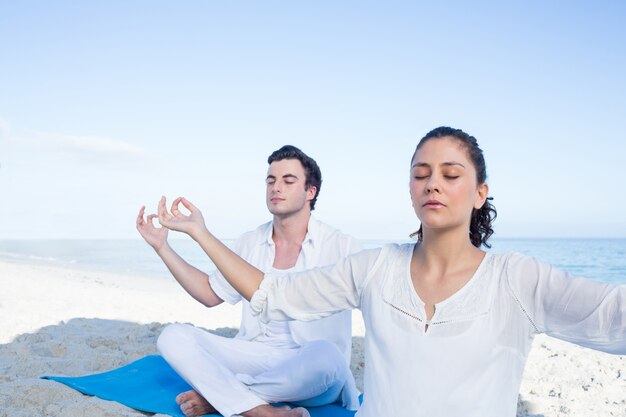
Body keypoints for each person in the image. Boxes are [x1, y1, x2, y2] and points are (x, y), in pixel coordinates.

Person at [155, 127, 626, 417]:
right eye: (421, 173)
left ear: (480, 192)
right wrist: (198, 232)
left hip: (315, 370)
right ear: (410, 189)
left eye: (451, 173)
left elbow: (613, 316)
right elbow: (271, 294)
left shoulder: (517, 279)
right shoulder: (377, 267)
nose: (433, 183)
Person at [136, 145, 361, 417]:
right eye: (271, 180)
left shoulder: (342, 246)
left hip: (312, 372)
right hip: (255, 357)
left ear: (310, 192)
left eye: (288, 181)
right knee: (173, 336)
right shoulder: (250, 241)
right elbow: (209, 293)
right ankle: (260, 410)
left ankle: (227, 397)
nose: (276, 187)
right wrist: (163, 248)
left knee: (328, 356)